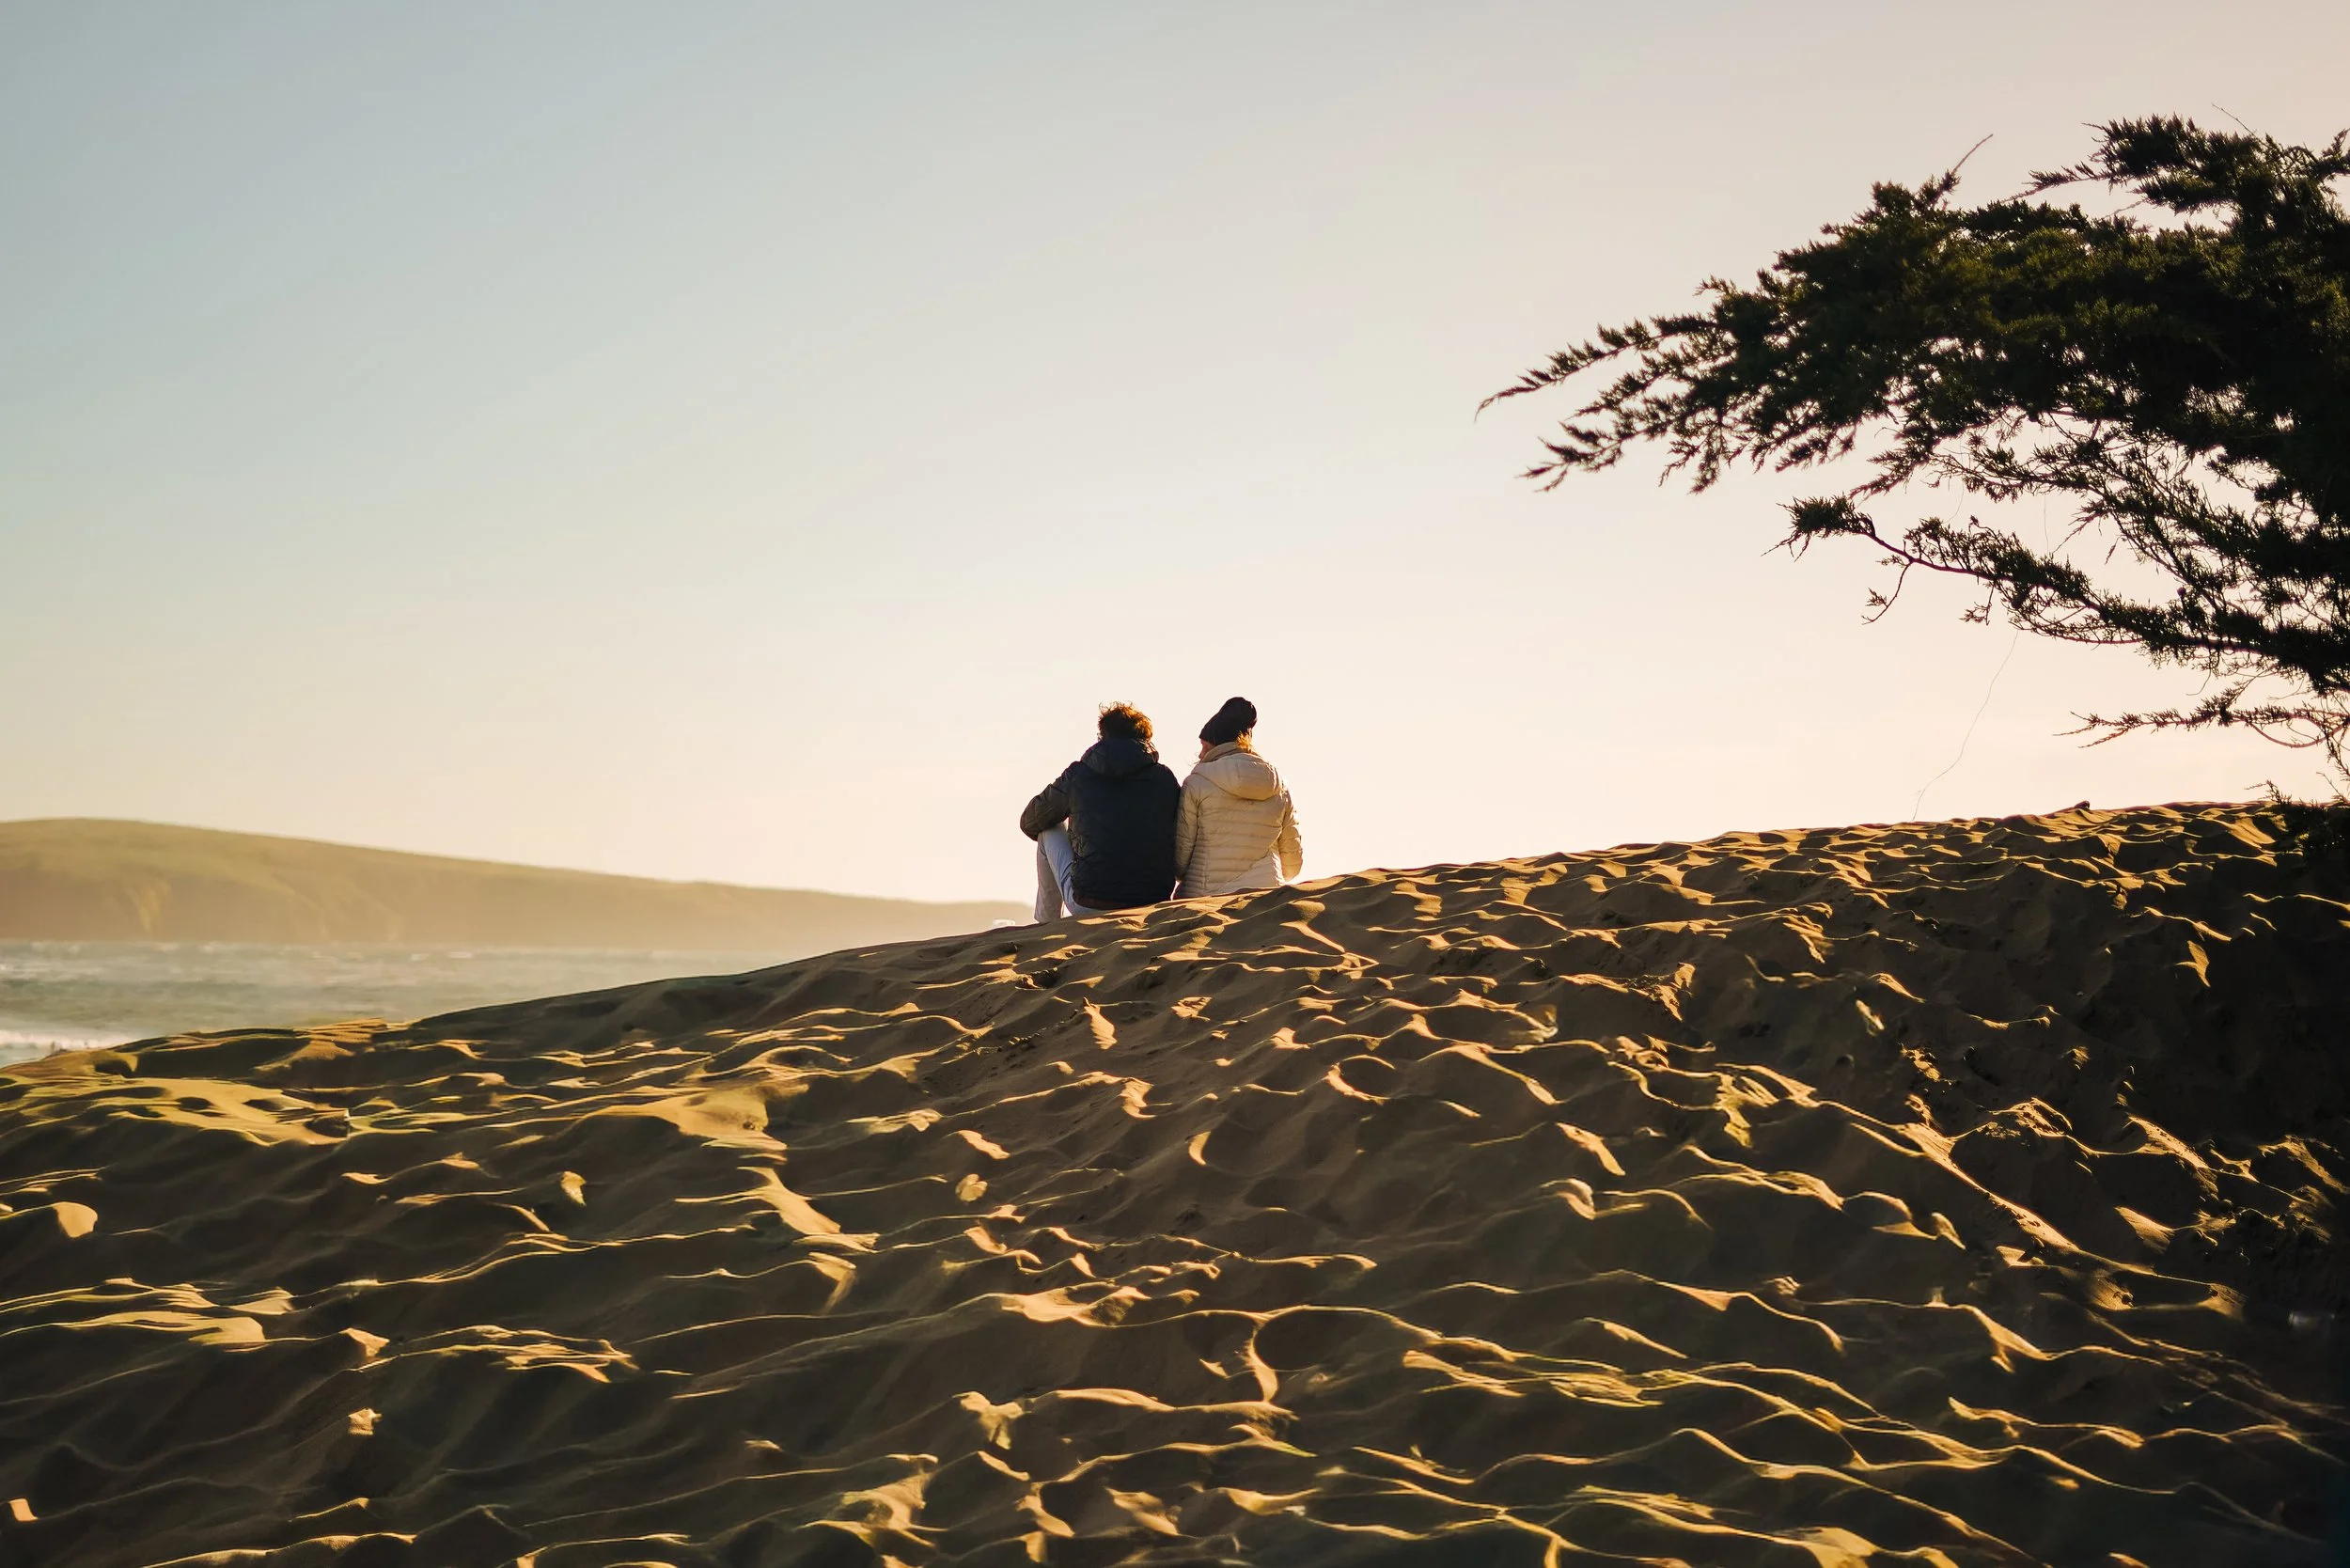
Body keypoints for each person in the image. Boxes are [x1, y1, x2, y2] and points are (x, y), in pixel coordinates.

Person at [1020, 702, 1183, 920]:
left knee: (1048, 829)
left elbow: (1030, 820)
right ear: (1145, 739)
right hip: (1151, 904)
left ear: (1102, 735)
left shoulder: (1079, 774)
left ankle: (1045, 926)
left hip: (1091, 902)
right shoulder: (1165, 779)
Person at [1174, 697, 1303, 898]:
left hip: (1205, 899)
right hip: (1266, 898)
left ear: (1215, 745)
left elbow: (1180, 860)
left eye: (1204, 745)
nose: (1200, 754)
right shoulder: (1280, 787)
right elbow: (1292, 866)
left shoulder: (1196, 783)